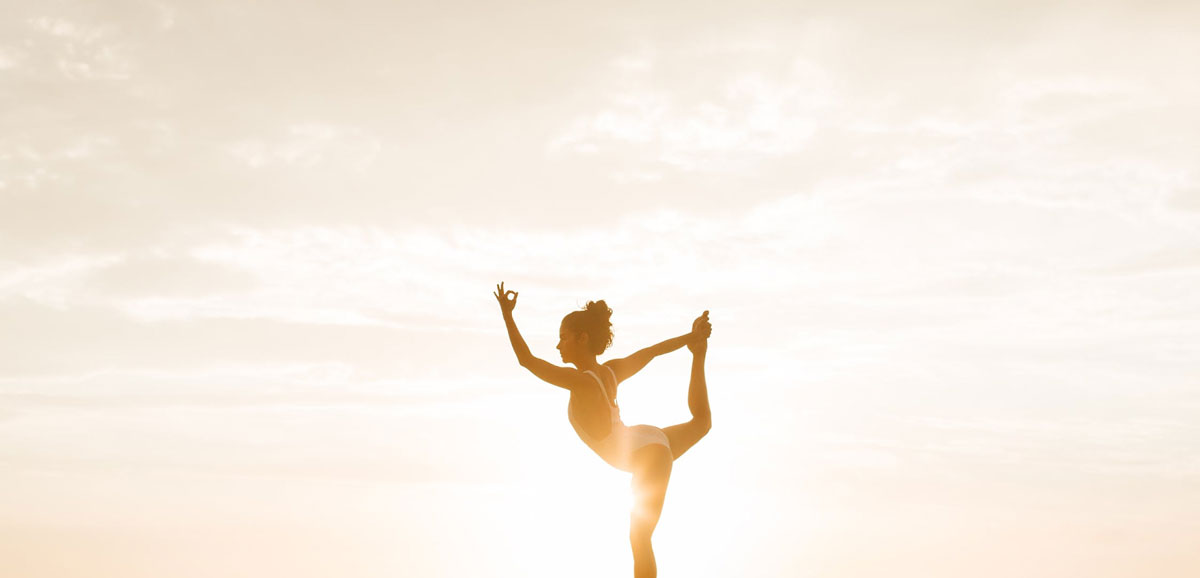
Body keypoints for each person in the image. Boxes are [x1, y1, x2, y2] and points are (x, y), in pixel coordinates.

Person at [494, 282, 712, 578]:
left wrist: (507, 315)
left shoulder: (581, 382)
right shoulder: (610, 371)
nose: (558, 345)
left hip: (645, 451)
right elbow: (652, 351)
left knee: (639, 538)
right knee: (701, 423)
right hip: (646, 440)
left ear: (582, 338)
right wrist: (693, 339)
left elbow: (527, 360)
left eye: (563, 338)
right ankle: (700, 355)